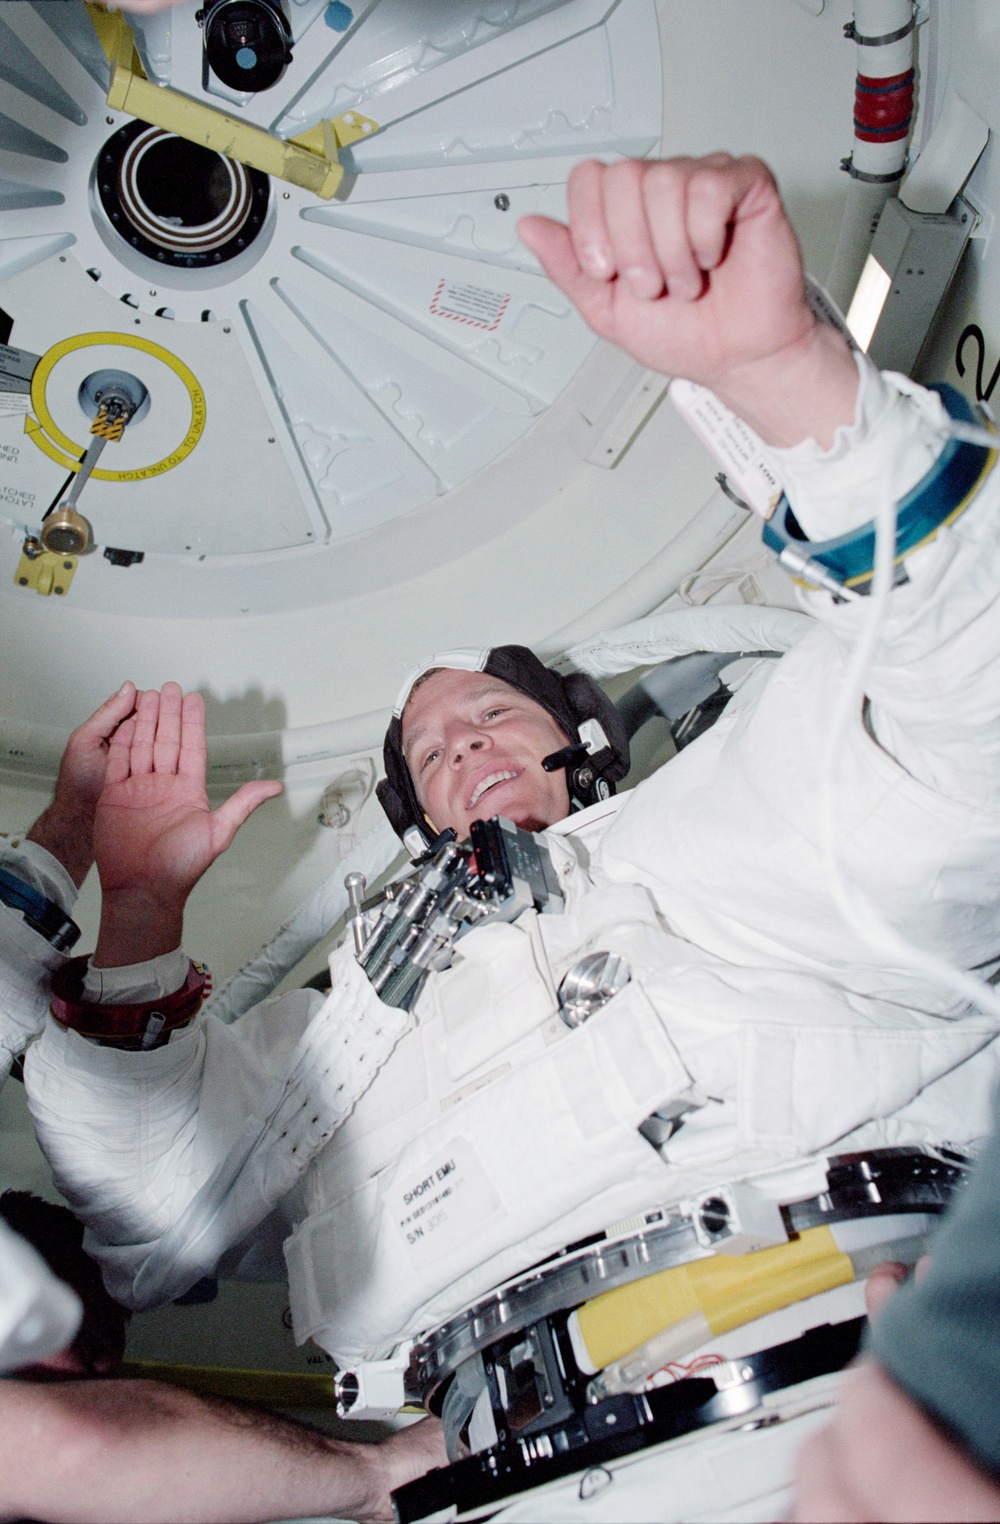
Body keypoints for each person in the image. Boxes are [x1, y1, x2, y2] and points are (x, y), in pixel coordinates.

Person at [17, 152, 1000, 1406]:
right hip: (495, 1451)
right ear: (415, 819)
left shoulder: (718, 831)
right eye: (430, 755)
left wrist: (787, 385)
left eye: (490, 713)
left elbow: (962, 737)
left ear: (582, 743)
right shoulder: (347, 1028)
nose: (462, 745)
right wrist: (143, 913)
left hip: (853, 1364)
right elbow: (154, 1233)